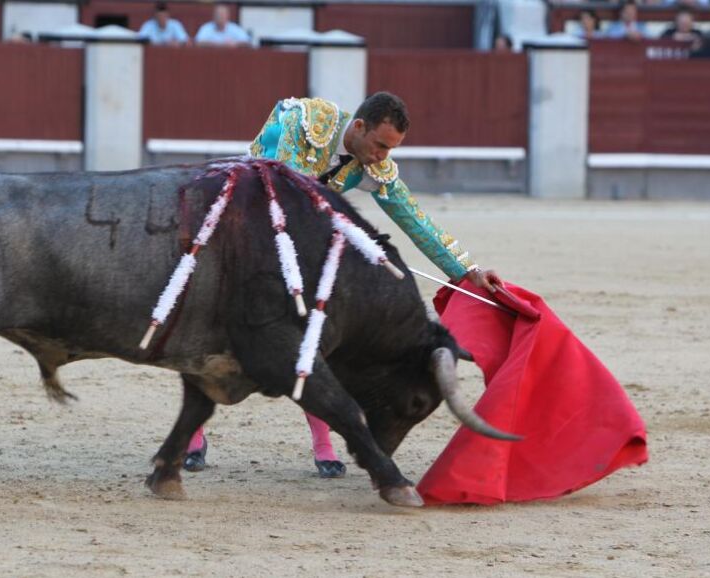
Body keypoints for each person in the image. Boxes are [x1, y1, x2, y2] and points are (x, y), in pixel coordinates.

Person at [183, 93, 503, 478]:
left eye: (390, 149)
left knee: (315, 334)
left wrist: (468, 270)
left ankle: (323, 443)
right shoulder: (304, 121)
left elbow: (415, 220)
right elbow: (284, 187)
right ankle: (191, 435)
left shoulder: (373, 161)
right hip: (243, 226)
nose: (382, 156)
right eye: (380, 145)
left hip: (298, 242)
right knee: (212, 327)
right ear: (359, 127)